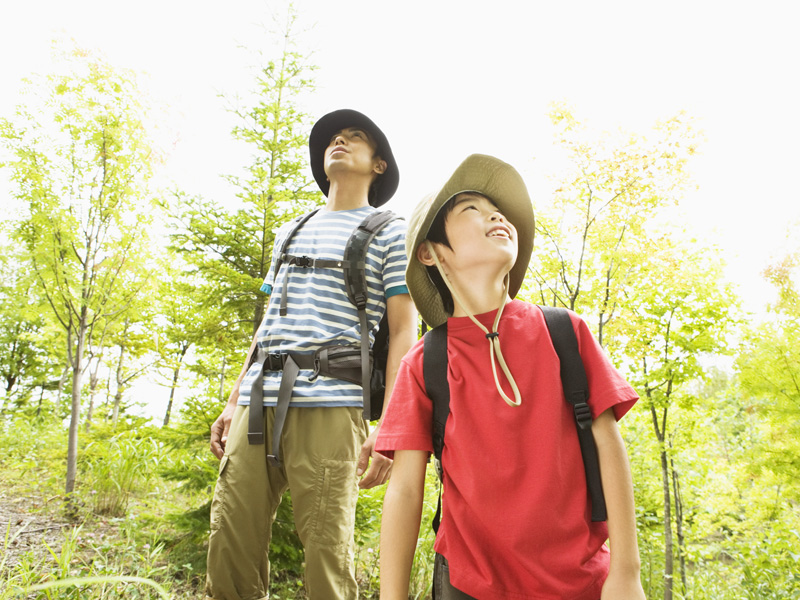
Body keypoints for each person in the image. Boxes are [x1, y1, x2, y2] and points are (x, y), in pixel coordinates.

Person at [376, 154, 646, 600]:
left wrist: (627, 571)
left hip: (580, 582)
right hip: (470, 584)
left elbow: (608, 445)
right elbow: (405, 489)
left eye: (497, 210)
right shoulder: (426, 362)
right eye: (471, 210)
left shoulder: (564, 332)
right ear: (431, 252)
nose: (496, 215)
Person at [205, 109, 417, 600]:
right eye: (333, 139)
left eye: (354, 137)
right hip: (259, 402)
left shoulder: (390, 230)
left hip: (332, 403)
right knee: (229, 540)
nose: (339, 142)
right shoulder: (291, 231)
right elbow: (269, 322)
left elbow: (405, 329)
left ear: (378, 165)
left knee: (326, 549)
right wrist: (234, 396)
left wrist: (391, 426)